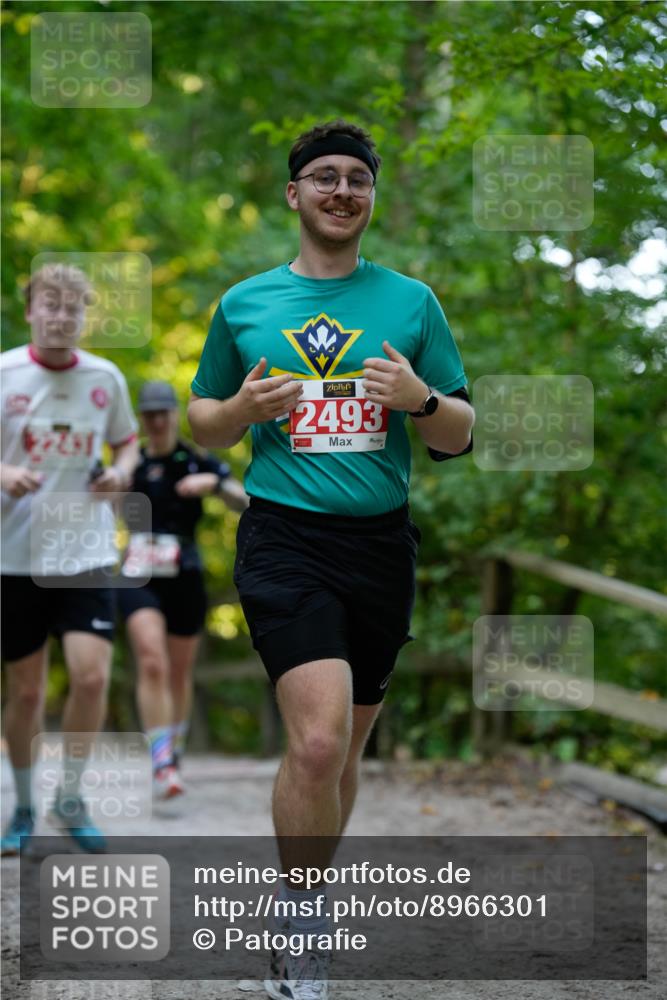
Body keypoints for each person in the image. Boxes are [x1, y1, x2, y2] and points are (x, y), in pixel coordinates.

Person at [187, 119, 474, 1000]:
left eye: (357, 179)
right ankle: (302, 928)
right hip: (283, 537)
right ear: (294, 194)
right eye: (323, 178)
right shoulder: (244, 304)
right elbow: (203, 420)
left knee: (343, 756)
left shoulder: (410, 302)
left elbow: (458, 435)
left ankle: (303, 896)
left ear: (370, 196)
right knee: (314, 745)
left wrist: (419, 398)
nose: (341, 190)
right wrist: (242, 406)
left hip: (380, 546)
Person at [1, 263, 139, 854]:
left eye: (72, 308)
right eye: (50, 306)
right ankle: (26, 806)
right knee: (28, 693)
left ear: (85, 316)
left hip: (84, 550)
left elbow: (127, 440)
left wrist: (122, 472)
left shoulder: (106, 377)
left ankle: (71, 798)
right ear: (31, 310)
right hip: (15, 555)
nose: (61, 317)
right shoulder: (4, 372)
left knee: (90, 677)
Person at [117, 380, 247, 800]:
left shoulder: (195, 460)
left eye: (163, 412)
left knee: (177, 670)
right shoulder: (129, 462)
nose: (157, 421)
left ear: (175, 414)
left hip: (185, 572)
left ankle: (174, 746)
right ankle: (162, 762)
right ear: (141, 418)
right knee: (151, 662)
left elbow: (244, 501)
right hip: (138, 573)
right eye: (149, 414)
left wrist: (212, 484)